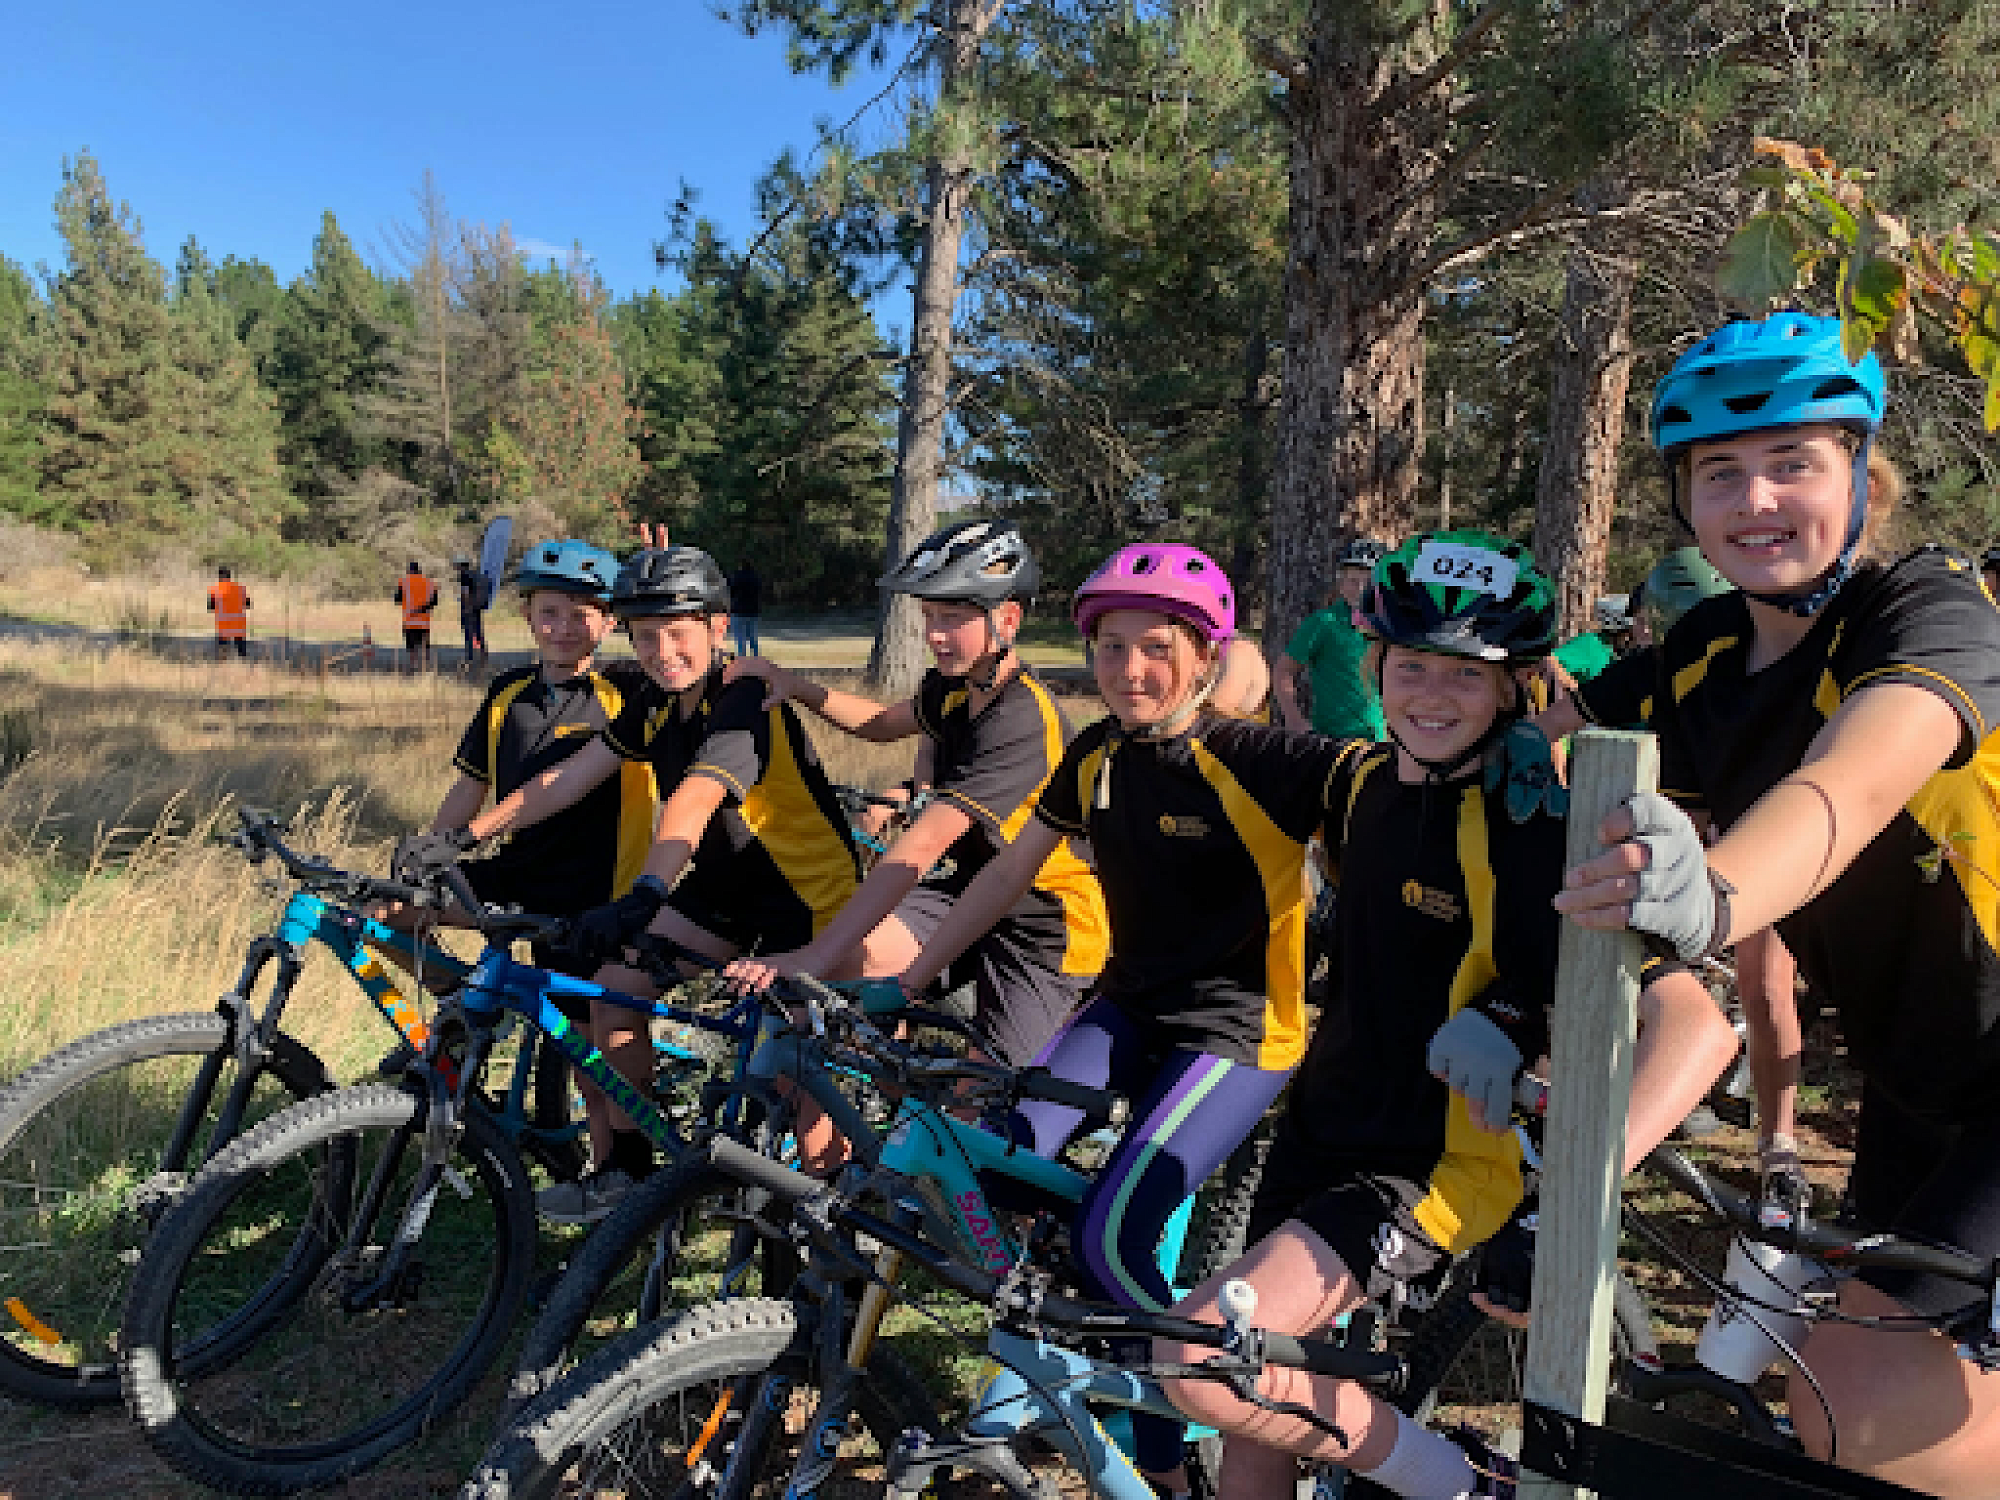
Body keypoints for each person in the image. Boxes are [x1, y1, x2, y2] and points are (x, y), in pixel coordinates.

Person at [1152, 531, 1736, 1500]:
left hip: (1429, 1163)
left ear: (1511, 689)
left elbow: (1698, 1031)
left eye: (1467, 673)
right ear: (1374, 668)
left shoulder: (1541, 826)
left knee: (1207, 1360)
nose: (1432, 693)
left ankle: (1455, 1488)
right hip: (1319, 1132)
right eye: (1411, 665)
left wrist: (1562, 1205)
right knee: (1255, 1425)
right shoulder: (1366, 785)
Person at [1557, 312, 2000, 1496]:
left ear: (1861, 478)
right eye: (1718, 472)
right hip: (1919, 1091)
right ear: (1684, 500)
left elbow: (1848, 785)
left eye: (1791, 462)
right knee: (1847, 1419)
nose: (1753, 499)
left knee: (1857, 1402)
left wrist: (1709, 892)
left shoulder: (1928, 609)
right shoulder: (1703, 652)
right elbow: (1544, 747)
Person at [891, 542, 1328, 1494]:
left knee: (1112, 1235)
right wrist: (911, 979)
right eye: (1110, 647)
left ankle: (1170, 1462)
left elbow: (1387, 783)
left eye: (1157, 647)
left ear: (1205, 656)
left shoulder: (1253, 758)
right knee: (992, 1163)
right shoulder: (1095, 754)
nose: (1130, 669)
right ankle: (1085, 1328)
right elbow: (1007, 874)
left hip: (1238, 1031)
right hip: (1130, 1006)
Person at [413, 544, 864, 1224]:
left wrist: (647, 892)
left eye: (678, 633)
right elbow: (566, 778)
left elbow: (695, 798)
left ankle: (833, 1225)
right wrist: (467, 836)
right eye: (646, 636)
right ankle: (628, 1169)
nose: (662, 652)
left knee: (798, 1069)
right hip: (726, 892)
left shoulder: (741, 698)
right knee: (615, 994)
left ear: (718, 627)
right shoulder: (655, 702)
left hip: (808, 900)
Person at [722, 519, 1108, 1074]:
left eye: (952, 618)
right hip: (968, 889)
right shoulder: (956, 688)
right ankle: (863, 1115)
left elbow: (922, 846)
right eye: (929, 616)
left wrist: (813, 955)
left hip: (1045, 922)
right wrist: (795, 685)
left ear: (1007, 619)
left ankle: (922, 1105)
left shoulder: (1022, 718)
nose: (934, 634)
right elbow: (881, 723)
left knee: (983, 1094)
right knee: (849, 974)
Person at [1275, 537, 1387, 738]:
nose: (1360, 588)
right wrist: (1294, 720)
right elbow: (1283, 670)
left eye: (1369, 582)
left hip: (1382, 739)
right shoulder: (1324, 622)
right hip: (1333, 740)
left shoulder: (1392, 627)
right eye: (1353, 581)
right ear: (1341, 584)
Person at [395, 559, 438, 672]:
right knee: (424, 645)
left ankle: (413, 666)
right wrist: (421, 609)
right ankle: (426, 666)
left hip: (410, 621)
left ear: (409, 571)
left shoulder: (403, 582)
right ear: (419, 571)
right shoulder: (430, 583)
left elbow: (397, 599)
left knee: (411, 646)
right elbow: (434, 602)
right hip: (424, 622)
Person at [454, 555, 490, 670]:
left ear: (461, 565)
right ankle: (484, 653)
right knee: (478, 631)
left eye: (457, 565)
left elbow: (465, 592)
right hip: (477, 607)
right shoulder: (475, 574)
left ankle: (469, 658)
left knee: (468, 633)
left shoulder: (464, 575)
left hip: (469, 608)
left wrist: (465, 607)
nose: (456, 567)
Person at [206, 566, 249, 660]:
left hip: (224, 623)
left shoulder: (215, 589)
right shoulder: (240, 588)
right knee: (241, 648)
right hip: (238, 622)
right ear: (230, 576)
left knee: (223, 649)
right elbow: (247, 604)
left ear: (220, 577)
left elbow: (210, 607)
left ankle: (223, 663)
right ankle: (243, 662)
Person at [727, 560, 762, 657]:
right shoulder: (756, 578)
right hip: (753, 611)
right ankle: (755, 657)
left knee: (740, 637)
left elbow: (731, 591)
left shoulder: (736, 577)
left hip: (738, 611)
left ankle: (742, 658)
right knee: (752, 637)